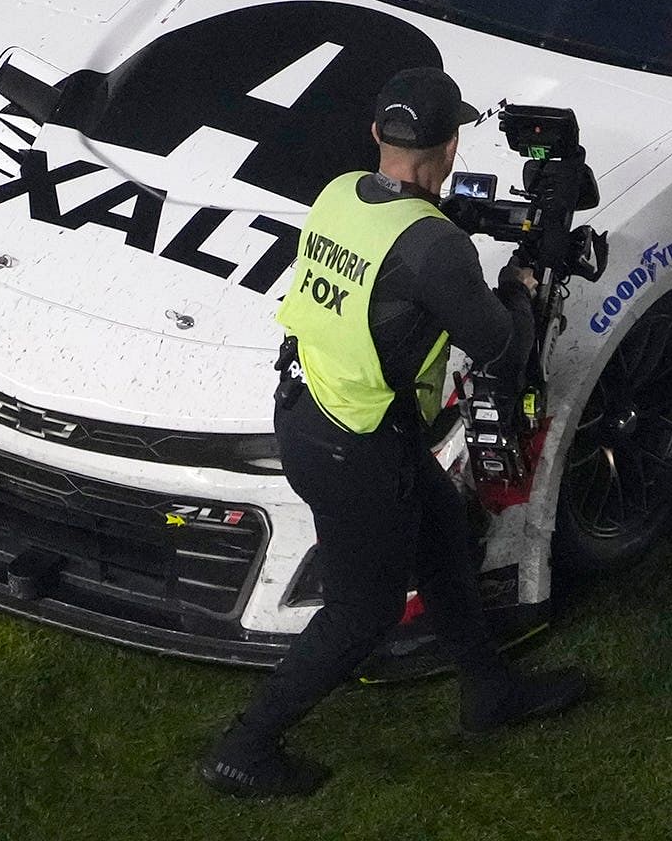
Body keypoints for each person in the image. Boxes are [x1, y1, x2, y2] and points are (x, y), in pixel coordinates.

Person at [199, 67, 592, 799]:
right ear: (447, 149)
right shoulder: (435, 247)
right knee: (361, 614)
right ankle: (244, 749)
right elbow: (502, 344)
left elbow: (390, 271)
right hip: (359, 444)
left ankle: (487, 691)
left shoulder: (340, 192)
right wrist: (520, 287)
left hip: (314, 410)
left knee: (443, 532)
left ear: (378, 134)